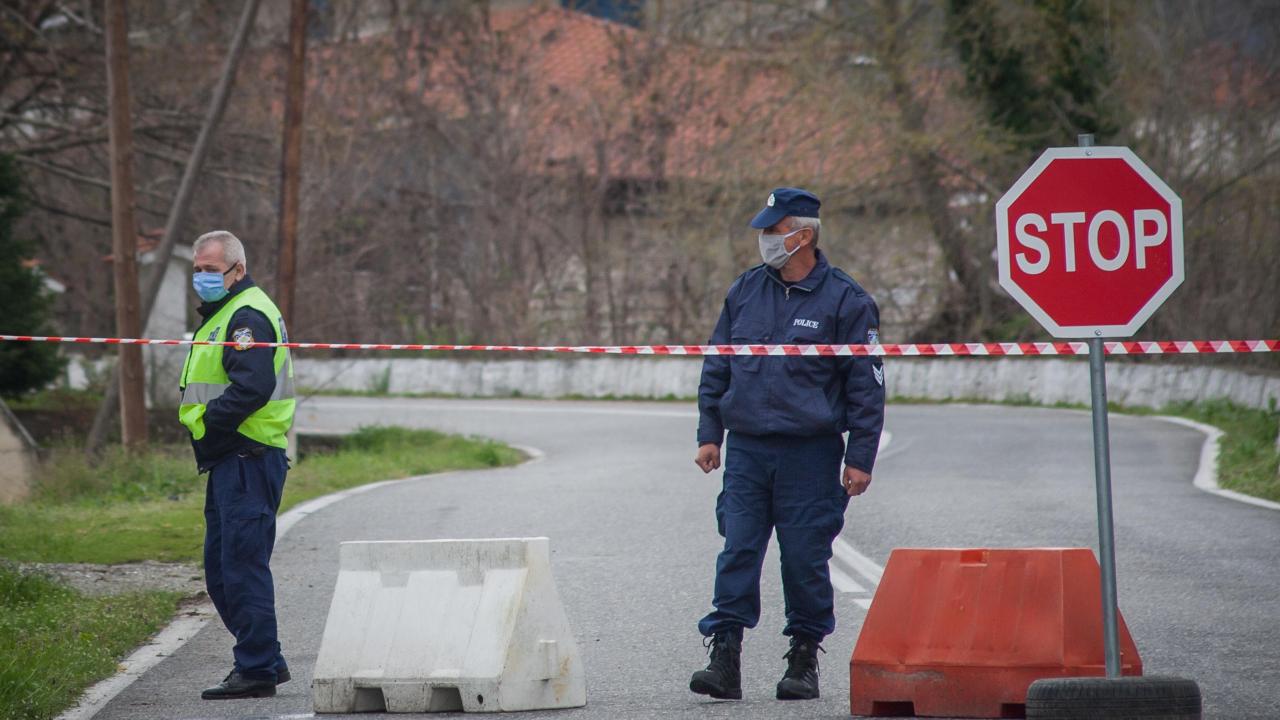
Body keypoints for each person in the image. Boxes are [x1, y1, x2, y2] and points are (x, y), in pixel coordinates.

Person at [690, 188, 885, 701]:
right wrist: (710, 433)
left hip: (810, 451)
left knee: (804, 557)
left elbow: (867, 385)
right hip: (749, 450)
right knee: (738, 549)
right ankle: (724, 656)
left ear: (803, 234)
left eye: (773, 232)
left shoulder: (846, 299)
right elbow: (718, 364)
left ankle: (803, 658)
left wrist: (859, 456)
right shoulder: (745, 292)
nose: (765, 241)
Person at [178, 231, 296, 700]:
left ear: (237, 270)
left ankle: (257, 668)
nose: (202, 277)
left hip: (247, 454)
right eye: (198, 268)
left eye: (211, 269)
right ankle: (263, 658)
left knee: (241, 568)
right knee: (222, 571)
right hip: (231, 458)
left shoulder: (246, 316)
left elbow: (252, 388)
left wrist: (207, 426)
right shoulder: (224, 313)